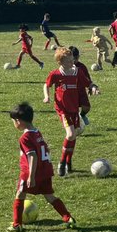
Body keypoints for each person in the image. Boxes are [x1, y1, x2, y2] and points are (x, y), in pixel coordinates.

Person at [8, 102, 77, 232]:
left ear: (18, 121)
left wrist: (31, 176)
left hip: (31, 172)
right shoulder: (37, 132)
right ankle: (68, 217)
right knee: (50, 197)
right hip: (46, 171)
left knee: (20, 194)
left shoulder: (25, 138)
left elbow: (32, 156)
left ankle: (17, 224)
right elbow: (46, 149)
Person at [43, 48, 83, 177]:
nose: (72, 61)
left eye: (72, 59)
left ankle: (68, 160)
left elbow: (87, 82)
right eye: (69, 60)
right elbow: (46, 85)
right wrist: (47, 96)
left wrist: (94, 87)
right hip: (63, 109)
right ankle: (61, 162)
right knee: (70, 134)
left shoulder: (76, 72)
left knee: (74, 135)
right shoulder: (56, 74)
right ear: (60, 62)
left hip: (74, 109)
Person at [69, 46, 99, 126]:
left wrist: (90, 88)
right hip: (70, 92)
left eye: (76, 58)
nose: (74, 60)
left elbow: (87, 79)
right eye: (72, 58)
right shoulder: (66, 67)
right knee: (73, 110)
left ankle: (82, 115)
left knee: (86, 107)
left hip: (81, 90)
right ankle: (75, 124)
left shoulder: (82, 67)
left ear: (78, 57)